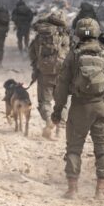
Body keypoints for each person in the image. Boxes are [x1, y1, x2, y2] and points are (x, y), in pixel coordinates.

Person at [51, 18, 104, 198]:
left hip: (79, 108)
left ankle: (72, 189)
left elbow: (61, 86)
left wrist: (58, 110)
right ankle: (101, 190)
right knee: (103, 149)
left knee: (74, 149)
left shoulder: (73, 56)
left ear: (77, 33)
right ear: (97, 32)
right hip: (103, 107)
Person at [28, 9, 70, 139]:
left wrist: (37, 66)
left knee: (44, 101)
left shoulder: (40, 35)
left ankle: (48, 120)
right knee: (61, 102)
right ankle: (60, 127)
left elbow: (32, 52)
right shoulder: (64, 36)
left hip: (44, 73)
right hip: (61, 73)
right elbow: (71, 54)